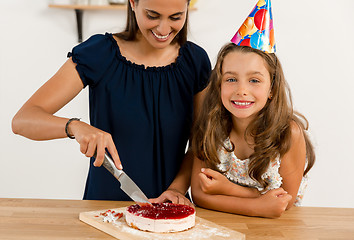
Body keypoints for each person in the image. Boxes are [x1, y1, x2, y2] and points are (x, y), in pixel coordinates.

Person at [11, 0, 211, 205]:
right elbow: (23, 120)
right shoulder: (100, 53)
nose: (163, 28)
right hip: (103, 209)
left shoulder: (195, 61)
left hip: (170, 207)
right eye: (152, 15)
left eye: (175, 17)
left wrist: (176, 189)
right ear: (133, 3)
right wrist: (76, 127)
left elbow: (200, 144)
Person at [190, 42, 315, 218]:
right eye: (231, 79)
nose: (241, 90)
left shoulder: (288, 134)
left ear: (272, 88)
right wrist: (258, 205)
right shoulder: (210, 127)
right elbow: (199, 194)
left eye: (254, 80)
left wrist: (228, 189)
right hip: (224, 225)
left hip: (275, 230)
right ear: (218, 85)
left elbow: (284, 202)